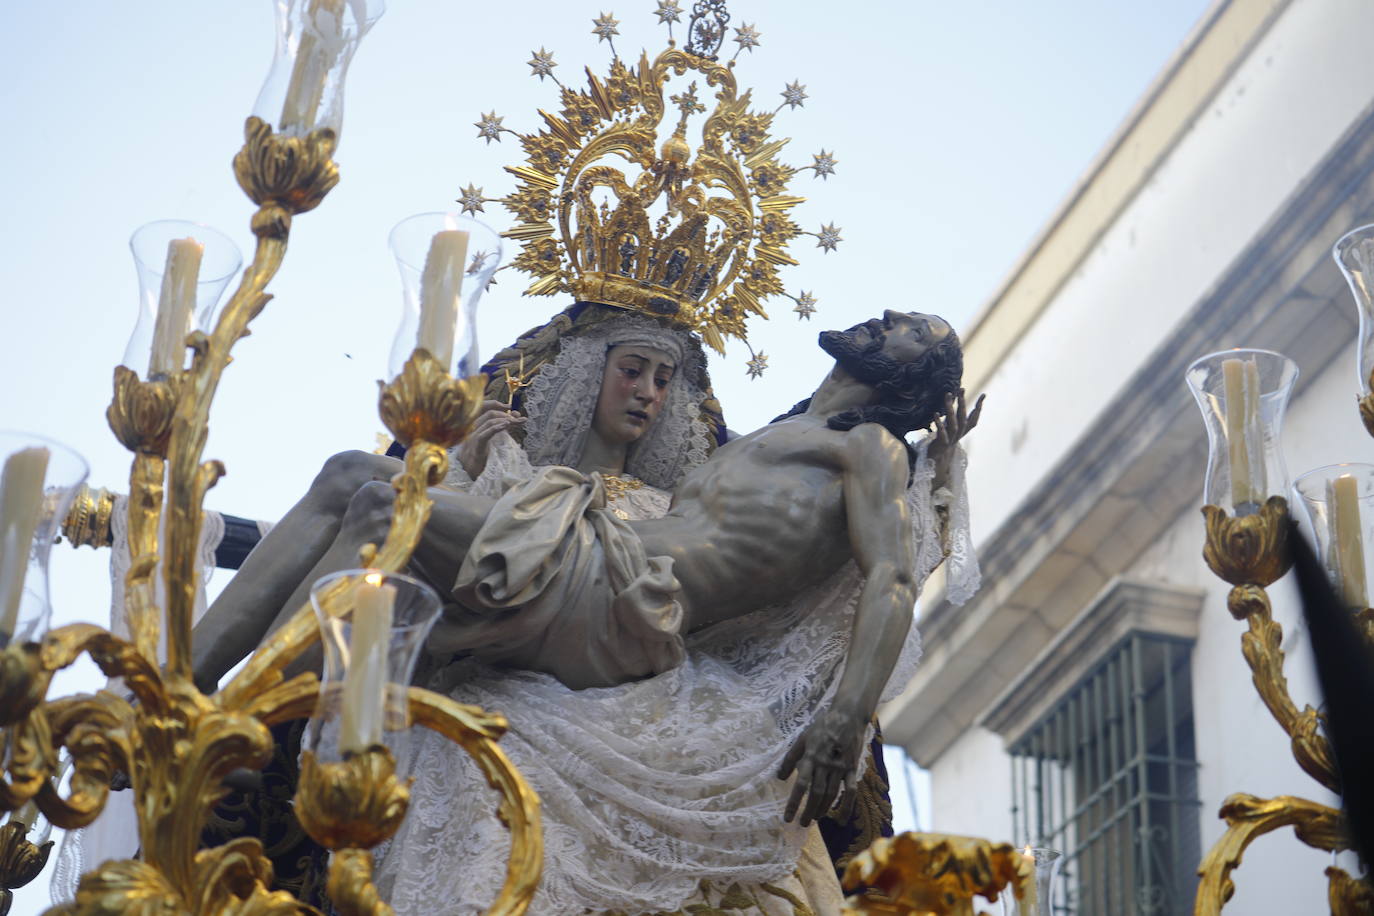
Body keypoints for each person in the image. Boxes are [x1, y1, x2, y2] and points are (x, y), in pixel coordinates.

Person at [365, 308, 981, 915]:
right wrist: (478, 463)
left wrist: (933, 474)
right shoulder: (758, 447)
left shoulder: (865, 448)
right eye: (633, 371)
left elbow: (887, 573)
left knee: (369, 501)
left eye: (664, 379)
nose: (649, 394)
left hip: (622, 602)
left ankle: (281, 695)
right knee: (388, 565)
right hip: (592, 588)